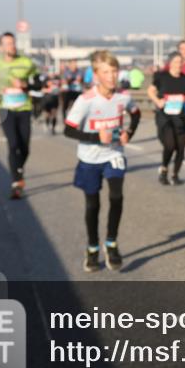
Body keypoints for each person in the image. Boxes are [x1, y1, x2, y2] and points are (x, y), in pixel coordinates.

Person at [64, 50, 141, 272]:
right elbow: (68, 131)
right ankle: (92, 247)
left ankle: (112, 243)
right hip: (89, 158)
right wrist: (95, 137)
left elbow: (135, 114)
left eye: (114, 71)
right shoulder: (85, 100)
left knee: (116, 195)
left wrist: (129, 133)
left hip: (113, 154)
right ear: (97, 75)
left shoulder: (123, 97)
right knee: (93, 204)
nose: (111, 76)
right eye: (106, 72)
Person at [0, 32, 39, 199]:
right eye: (8, 43)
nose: (12, 46)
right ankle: (16, 182)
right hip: (5, 108)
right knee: (13, 144)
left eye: (13, 43)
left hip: (24, 108)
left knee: (25, 148)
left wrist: (24, 84)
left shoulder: (26, 63)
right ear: (1, 46)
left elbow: (38, 83)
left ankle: (18, 170)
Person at [147, 51, 185, 185]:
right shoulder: (161, 77)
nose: (178, 65)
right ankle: (164, 169)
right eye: (176, 62)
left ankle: (175, 175)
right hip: (165, 117)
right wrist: (157, 101)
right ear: (170, 63)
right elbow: (150, 91)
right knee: (170, 145)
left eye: (181, 62)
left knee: (181, 148)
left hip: (180, 117)